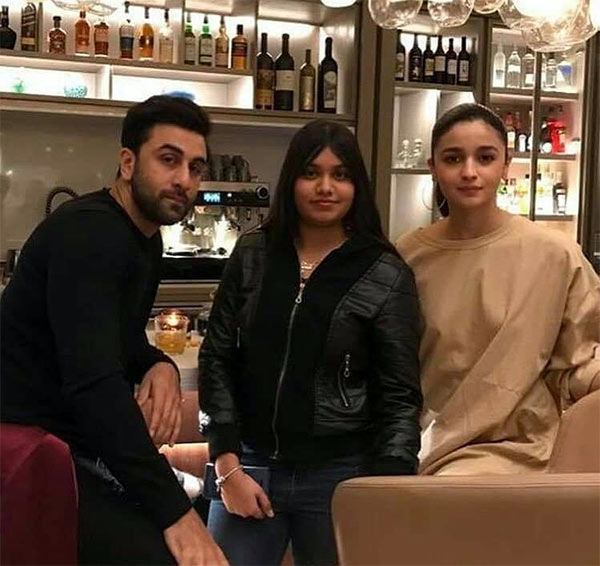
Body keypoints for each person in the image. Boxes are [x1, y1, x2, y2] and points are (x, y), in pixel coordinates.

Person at [0, 95, 227, 566]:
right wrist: (175, 514)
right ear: (128, 162)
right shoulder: (92, 234)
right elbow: (95, 385)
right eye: (169, 160)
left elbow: (117, 339)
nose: (184, 179)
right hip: (26, 452)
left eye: (196, 167)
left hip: (72, 444)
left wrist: (159, 364)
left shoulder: (143, 239)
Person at [197, 119, 422, 566]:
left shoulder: (384, 272)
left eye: (340, 175)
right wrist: (226, 463)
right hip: (250, 465)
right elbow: (217, 356)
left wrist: (387, 487)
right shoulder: (254, 253)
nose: (325, 187)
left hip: (342, 475)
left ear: (357, 186)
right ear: (291, 181)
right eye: (311, 173)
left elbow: (399, 395)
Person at [396, 103, 600, 476]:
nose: (469, 172)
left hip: (523, 448)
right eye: (453, 159)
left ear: (506, 164)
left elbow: (580, 360)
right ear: (432, 167)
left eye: (485, 158)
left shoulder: (554, 255)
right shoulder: (407, 256)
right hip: (423, 442)